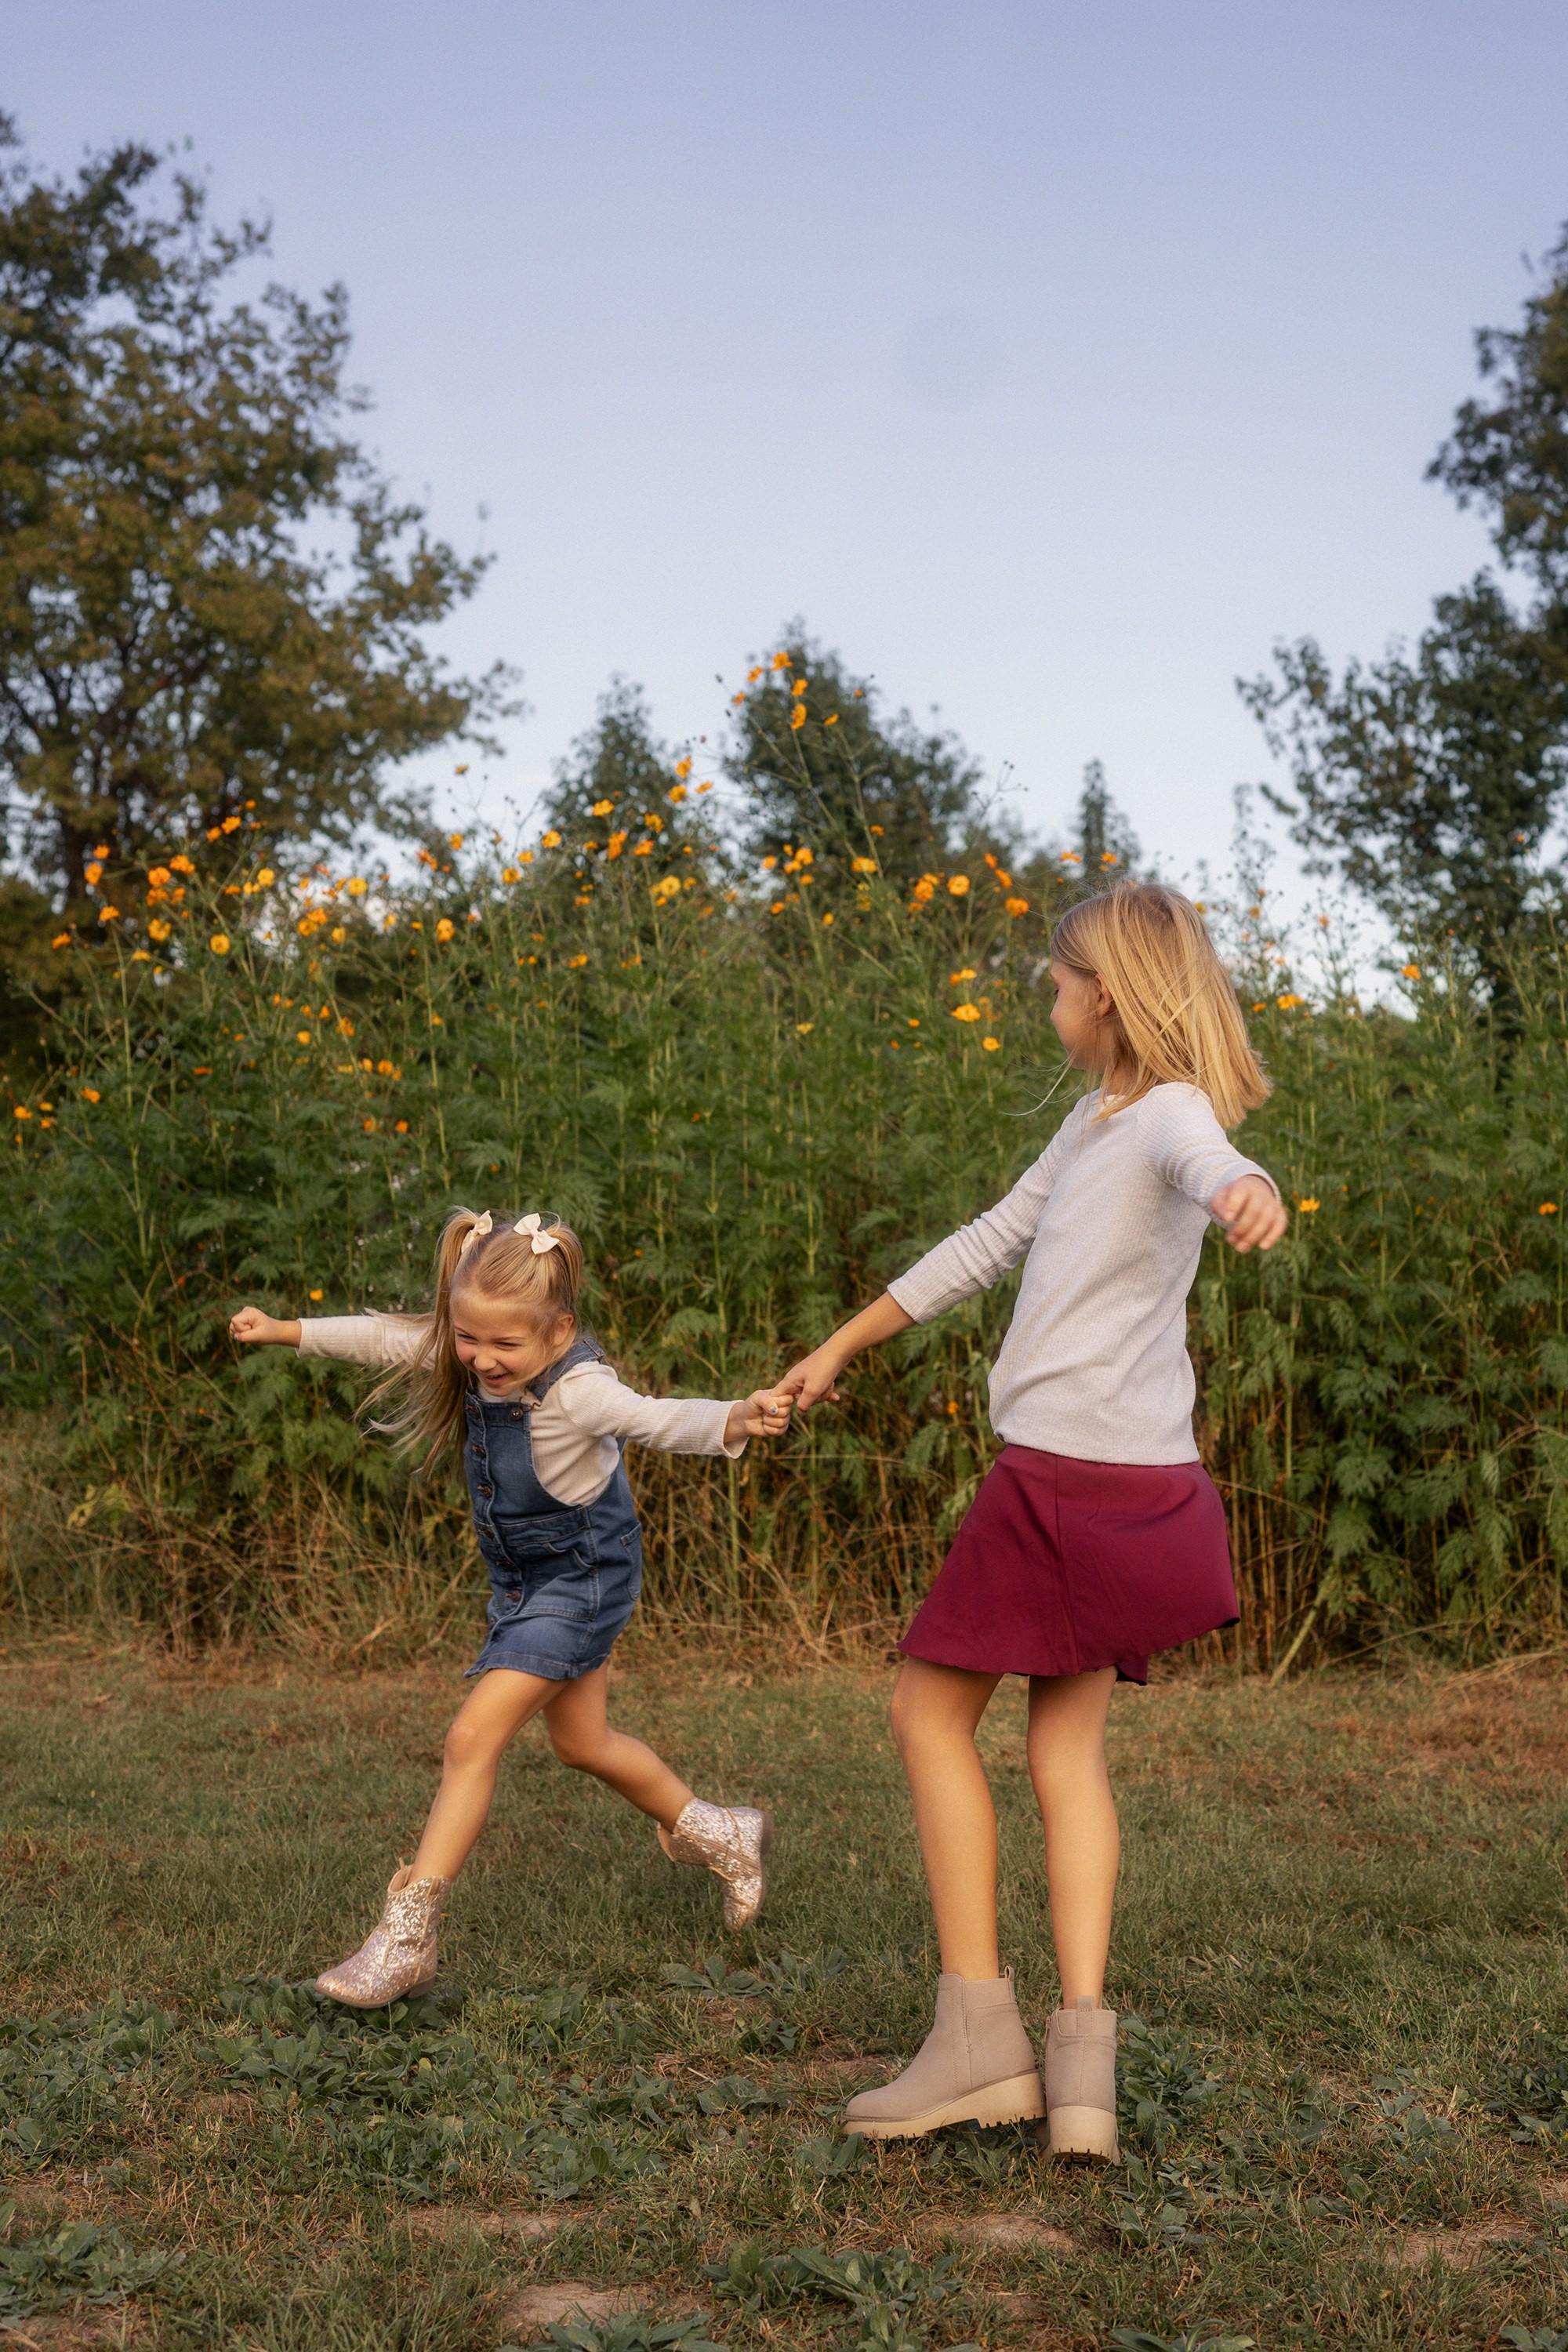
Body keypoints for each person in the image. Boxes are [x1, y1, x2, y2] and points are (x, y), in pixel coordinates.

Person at [779, 884, 1287, 2158]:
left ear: (1104, 994)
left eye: (1056, 986)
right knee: (1065, 1755)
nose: (1047, 1004)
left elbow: (1211, 1157)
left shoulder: (1165, 1114)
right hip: (1143, 1490)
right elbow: (992, 1239)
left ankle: (976, 2043)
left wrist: (1249, 1188)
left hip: (1065, 1481)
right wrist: (843, 1343)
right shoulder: (1095, 1119)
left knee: (926, 1710)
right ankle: (1082, 2068)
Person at [230, 1207, 791, 2008]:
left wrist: (734, 1416)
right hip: (529, 1584)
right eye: (468, 1339)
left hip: (582, 1581)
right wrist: (285, 1329)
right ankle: (721, 1831)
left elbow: (655, 1417)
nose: (481, 1361)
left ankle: (407, 1938)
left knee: (470, 1737)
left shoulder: (582, 1390)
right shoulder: (469, 1351)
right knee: (582, 1742)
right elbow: (388, 1338)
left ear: (558, 1332)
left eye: (504, 1346)